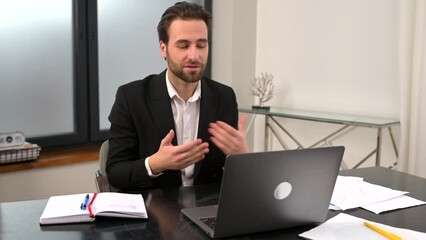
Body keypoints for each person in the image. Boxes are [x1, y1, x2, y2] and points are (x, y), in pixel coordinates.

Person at [106, 1, 249, 191]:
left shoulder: (225, 97)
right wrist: (155, 164)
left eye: (201, 45)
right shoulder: (131, 97)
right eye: (183, 45)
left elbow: (230, 176)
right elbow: (115, 172)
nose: (194, 55)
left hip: (207, 210)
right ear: (163, 48)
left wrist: (242, 157)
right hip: (153, 211)